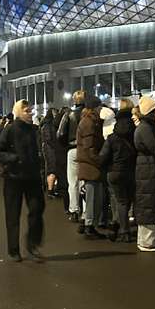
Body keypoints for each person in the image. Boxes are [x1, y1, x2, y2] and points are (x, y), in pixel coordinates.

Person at [0, 99, 45, 263]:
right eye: (27, 111)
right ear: (19, 112)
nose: (30, 113)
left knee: (37, 209)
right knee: (13, 214)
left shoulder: (33, 130)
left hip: (32, 177)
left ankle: (33, 245)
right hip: (14, 177)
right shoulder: (11, 129)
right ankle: (14, 250)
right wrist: (15, 159)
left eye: (31, 110)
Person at [99, 102, 137, 242]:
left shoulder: (112, 138)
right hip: (131, 172)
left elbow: (103, 157)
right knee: (127, 201)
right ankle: (119, 225)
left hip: (114, 173)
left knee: (118, 200)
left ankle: (122, 229)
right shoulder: (135, 136)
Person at [133, 96, 155, 251]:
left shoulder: (143, 126)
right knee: (151, 202)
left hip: (144, 167)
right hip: (150, 167)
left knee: (146, 203)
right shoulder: (147, 128)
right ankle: (148, 241)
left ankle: (144, 239)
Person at [75, 95, 106, 238]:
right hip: (90, 165)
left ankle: (85, 223)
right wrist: (98, 160)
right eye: (99, 106)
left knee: (91, 197)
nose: (101, 108)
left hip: (87, 164)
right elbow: (89, 146)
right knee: (93, 198)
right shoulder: (89, 123)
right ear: (94, 108)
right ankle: (89, 226)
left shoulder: (87, 121)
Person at [58, 91, 85, 221]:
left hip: (72, 149)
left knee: (72, 181)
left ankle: (74, 210)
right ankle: (86, 212)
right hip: (85, 149)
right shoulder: (89, 114)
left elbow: (60, 133)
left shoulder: (69, 114)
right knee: (85, 181)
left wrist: (66, 144)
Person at [40, 107, 58, 196]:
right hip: (49, 148)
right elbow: (48, 137)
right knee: (52, 168)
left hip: (46, 147)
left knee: (48, 167)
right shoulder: (48, 124)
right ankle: (50, 190)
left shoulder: (44, 123)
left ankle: (48, 188)